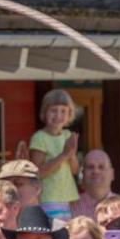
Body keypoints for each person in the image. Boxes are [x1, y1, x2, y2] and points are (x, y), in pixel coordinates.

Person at [28, 89, 80, 221]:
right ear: (44, 112)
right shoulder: (39, 138)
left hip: (67, 199)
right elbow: (38, 173)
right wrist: (64, 155)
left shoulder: (68, 135)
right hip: (48, 199)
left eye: (63, 111)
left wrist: (71, 154)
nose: (58, 115)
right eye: (53, 110)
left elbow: (74, 170)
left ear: (70, 114)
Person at [72, 149, 118, 220]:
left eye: (101, 167)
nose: (96, 171)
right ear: (83, 174)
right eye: (90, 167)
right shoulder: (70, 208)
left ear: (112, 174)